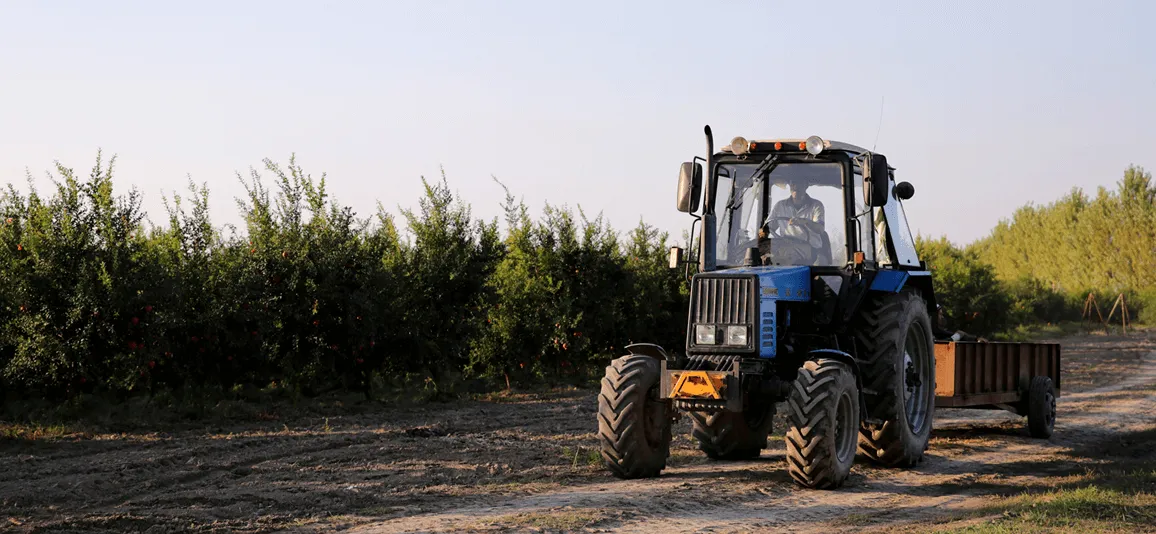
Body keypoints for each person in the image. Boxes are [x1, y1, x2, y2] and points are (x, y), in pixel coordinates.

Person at [758, 178, 825, 249]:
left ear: (806, 185)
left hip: (812, 250)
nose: (795, 186)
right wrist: (761, 238)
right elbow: (767, 228)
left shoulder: (816, 205)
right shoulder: (780, 206)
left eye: (799, 183)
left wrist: (805, 222)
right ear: (790, 185)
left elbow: (820, 229)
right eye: (793, 183)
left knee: (821, 260)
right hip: (786, 250)